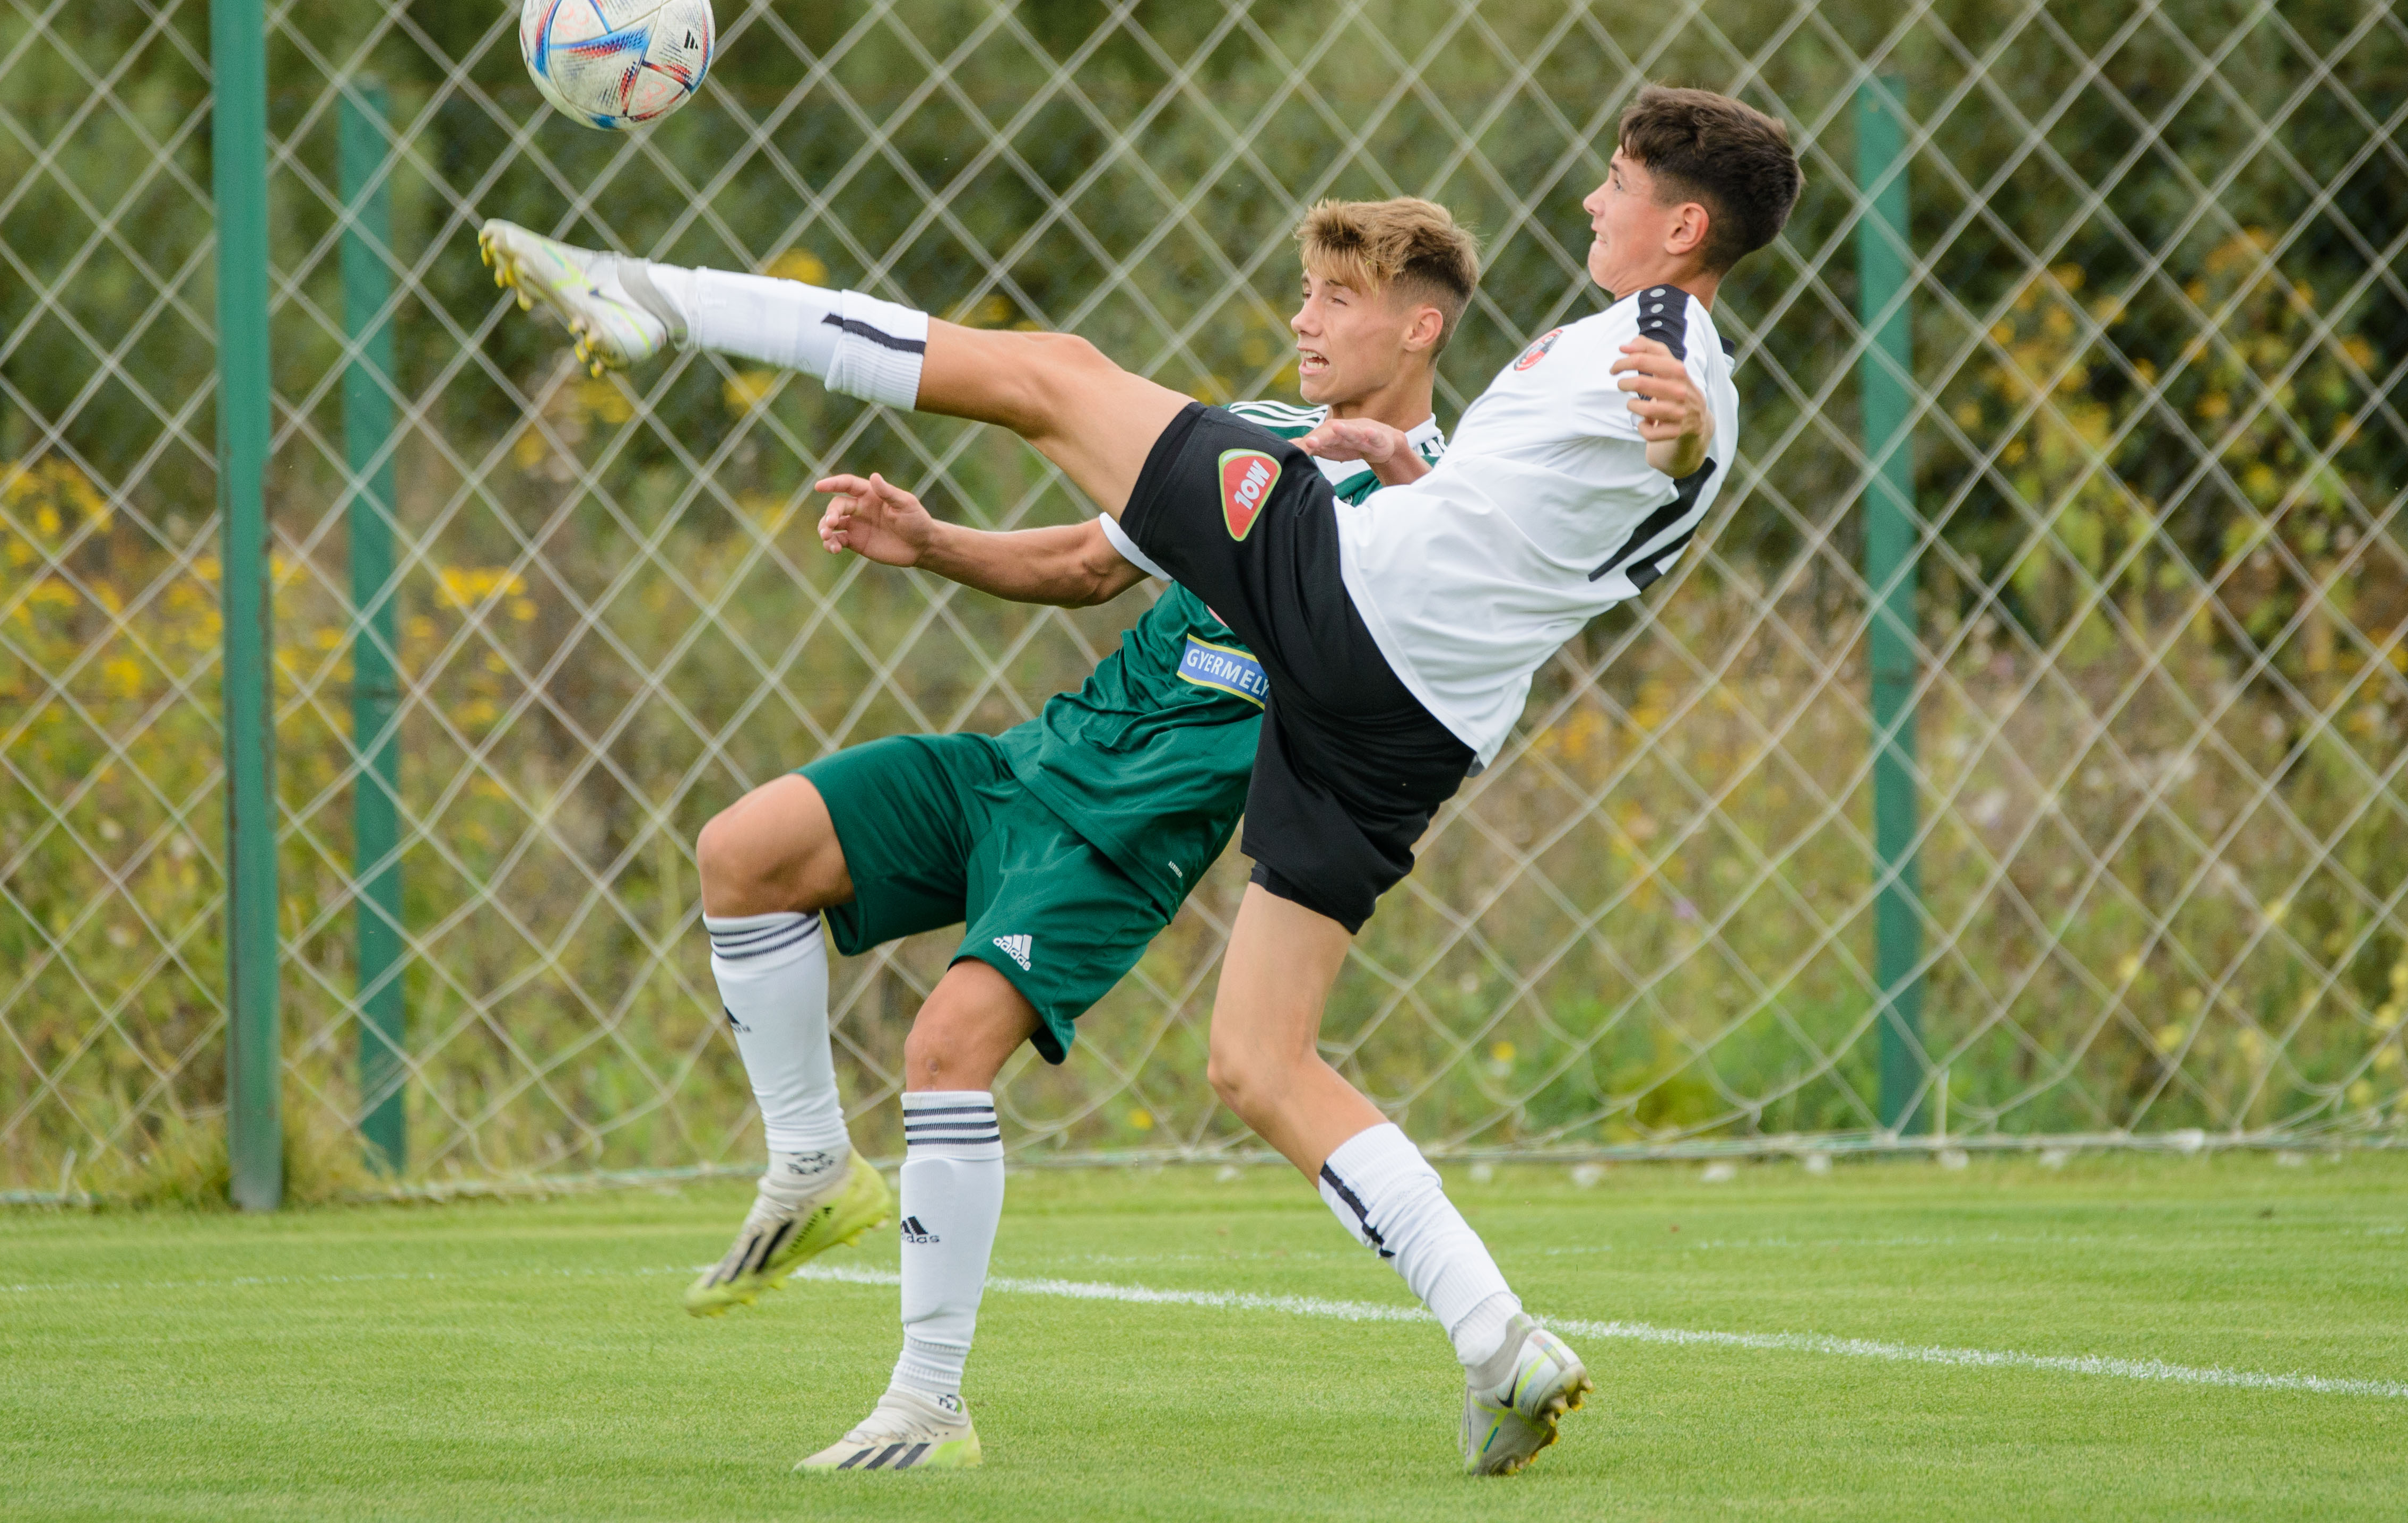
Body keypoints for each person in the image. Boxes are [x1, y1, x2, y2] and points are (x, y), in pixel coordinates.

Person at [480, 85, 1803, 1475]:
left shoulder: (1659, 341)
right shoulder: (1627, 353)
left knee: (1047, 372)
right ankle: (1500, 1342)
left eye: (1616, 182)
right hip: (1419, 726)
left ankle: (655, 298)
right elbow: (1597, 482)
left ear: (1684, 222)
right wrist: (1449, 457)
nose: (1594, 201)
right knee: (1260, 1058)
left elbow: (1675, 432)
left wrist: (1683, 439)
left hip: (1359, 609)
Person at [605, 200, 1468, 1470]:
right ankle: (809, 1167)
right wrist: (933, 543)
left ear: (1419, 326)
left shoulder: (1444, 510)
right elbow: (1085, 563)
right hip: (1036, 758)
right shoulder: (1259, 434)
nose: (1303, 318)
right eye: (1305, 291)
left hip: (1130, 826)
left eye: (1337, 299)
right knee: (746, 849)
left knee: (945, 1043)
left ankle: (926, 1402)